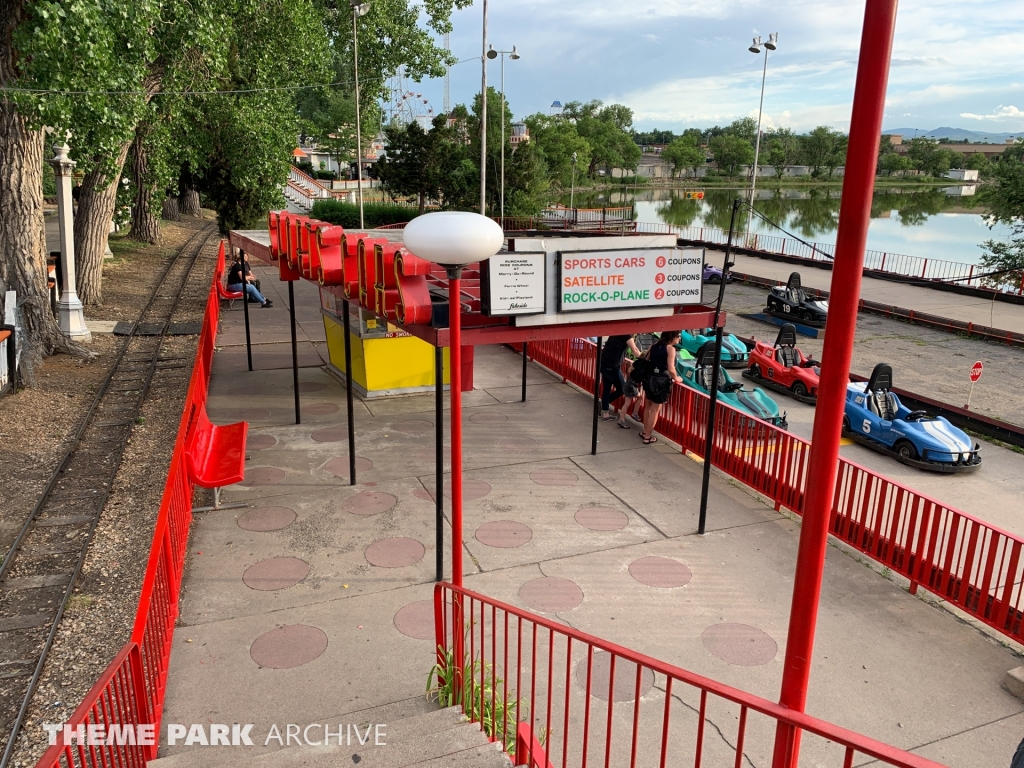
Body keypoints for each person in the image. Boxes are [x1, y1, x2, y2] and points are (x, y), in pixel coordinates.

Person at [640, 330, 683, 445]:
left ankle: (644, 432)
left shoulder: (654, 345)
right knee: (655, 410)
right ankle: (648, 437)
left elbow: (646, 359)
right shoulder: (670, 349)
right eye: (678, 336)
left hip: (649, 378)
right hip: (661, 381)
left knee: (647, 407)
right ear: (672, 337)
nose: (679, 339)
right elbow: (670, 368)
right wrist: (677, 378)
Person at [600, 334, 642, 429]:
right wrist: (643, 358)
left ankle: (604, 411)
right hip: (613, 366)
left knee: (606, 388)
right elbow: (635, 350)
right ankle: (603, 405)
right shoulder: (627, 335)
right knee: (622, 389)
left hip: (604, 363)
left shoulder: (617, 332)